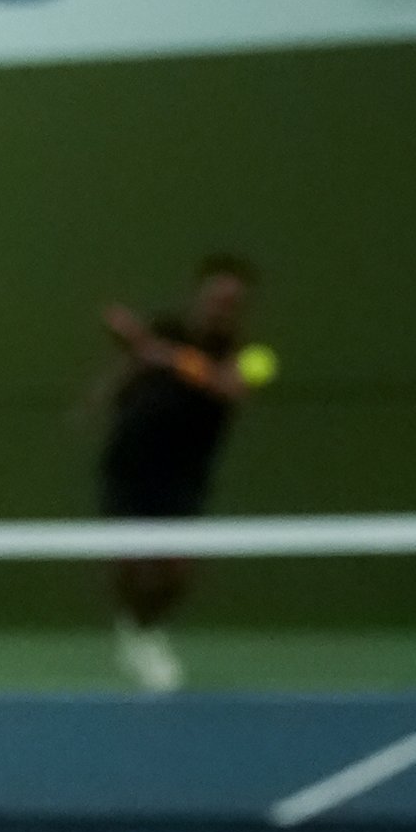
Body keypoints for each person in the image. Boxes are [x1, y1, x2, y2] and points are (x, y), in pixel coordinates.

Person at [96, 253, 270, 690]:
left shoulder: (250, 355)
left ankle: (146, 627)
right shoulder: (166, 331)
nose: (221, 307)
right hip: (131, 461)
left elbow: (228, 386)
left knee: (177, 570)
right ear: (200, 296)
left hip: (185, 473)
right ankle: (139, 634)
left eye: (232, 302)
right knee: (133, 560)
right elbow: (132, 366)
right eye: (216, 298)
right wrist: (103, 397)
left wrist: (163, 354)